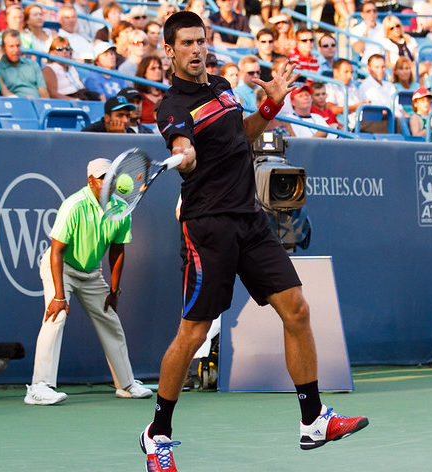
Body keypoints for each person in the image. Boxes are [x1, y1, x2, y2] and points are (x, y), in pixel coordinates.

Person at [139, 11, 368, 472]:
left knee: (297, 308)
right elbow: (181, 147)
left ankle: (313, 421)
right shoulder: (171, 108)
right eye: (186, 43)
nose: (197, 50)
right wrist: (183, 156)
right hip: (208, 227)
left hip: (250, 218)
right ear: (169, 50)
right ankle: (156, 433)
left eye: (201, 41)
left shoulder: (223, 86)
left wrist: (269, 109)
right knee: (194, 332)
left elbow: (241, 138)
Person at [24, 157, 153, 406]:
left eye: (111, 177)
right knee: (56, 316)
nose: (108, 182)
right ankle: (39, 387)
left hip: (92, 273)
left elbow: (117, 251)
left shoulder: (120, 209)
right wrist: (59, 296)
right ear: (91, 181)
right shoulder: (74, 205)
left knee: (110, 320)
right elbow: (56, 250)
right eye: (102, 178)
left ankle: (126, 385)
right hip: (61, 268)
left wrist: (115, 290)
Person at [0, 29, 49, 97]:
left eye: (18, 46)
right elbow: (5, 93)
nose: (16, 50)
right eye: (11, 46)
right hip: (15, 104)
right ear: (3, 48)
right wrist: (25, 101)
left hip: (37, 104)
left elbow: (43, 91)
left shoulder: (33, 64)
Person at [358, 54, 399, 133]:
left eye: (383, 67)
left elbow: (398, 108)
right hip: (372, 122)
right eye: (376, 67)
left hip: (390, 120)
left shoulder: (390, 86)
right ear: (369, 68)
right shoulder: (366, 86)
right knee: (399, 123)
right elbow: (376, 111)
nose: (380, 70)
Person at [326, 58, 368, 130]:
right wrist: (355, 107)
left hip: (365, 120)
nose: (349, 76)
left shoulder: (354, 86)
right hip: (353, 125)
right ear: (335, 72)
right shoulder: (330, 87)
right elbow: (331, 109)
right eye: (346, 72)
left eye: (351, 72)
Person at [350, 1, 384, 66]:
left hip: (383, 62)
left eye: (374, 11)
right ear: (362, 14)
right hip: (367, 64)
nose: (372, 13)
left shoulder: (383, 27)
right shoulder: (356, 29)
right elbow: (357, 49)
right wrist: (366, 31)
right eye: (368, 11)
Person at [135, 55, 165, 123]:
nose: (157, 71)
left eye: (159, 68)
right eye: (153, 68)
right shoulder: (138, 96)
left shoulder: (167, 94)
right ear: (144, 72)